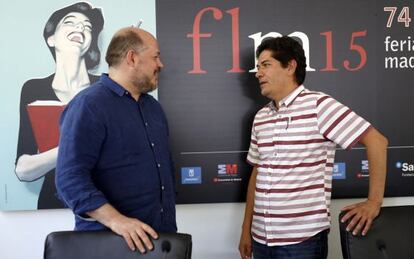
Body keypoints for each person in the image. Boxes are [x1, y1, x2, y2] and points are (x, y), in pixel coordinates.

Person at [238, 36, 388, 259]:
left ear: (290, 66)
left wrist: (374, 202)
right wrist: (246, 230)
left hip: (303, 243)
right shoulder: (261, 117)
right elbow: (257, 174)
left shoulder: (319, 105)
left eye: (266, 65)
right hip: (261, 240)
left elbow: (377, 141)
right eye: (258, 66)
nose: (258, 73)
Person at [55, 27, 177, 254]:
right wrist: (117, 221)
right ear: (132, 58)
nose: (160, 65)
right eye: (155, 57)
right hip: (110, 247)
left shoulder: (154, 109)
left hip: (160, 242)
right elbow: (69, 178)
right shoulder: (89, 105)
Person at [15, 2, 104, 209]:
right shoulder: (33, 89)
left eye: (87, 26)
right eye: (70, 22)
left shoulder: (105, 86)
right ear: (51, 38)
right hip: (52, 203)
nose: (80, 28)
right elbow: (23, 168)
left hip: (103, 203)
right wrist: (74, 146)